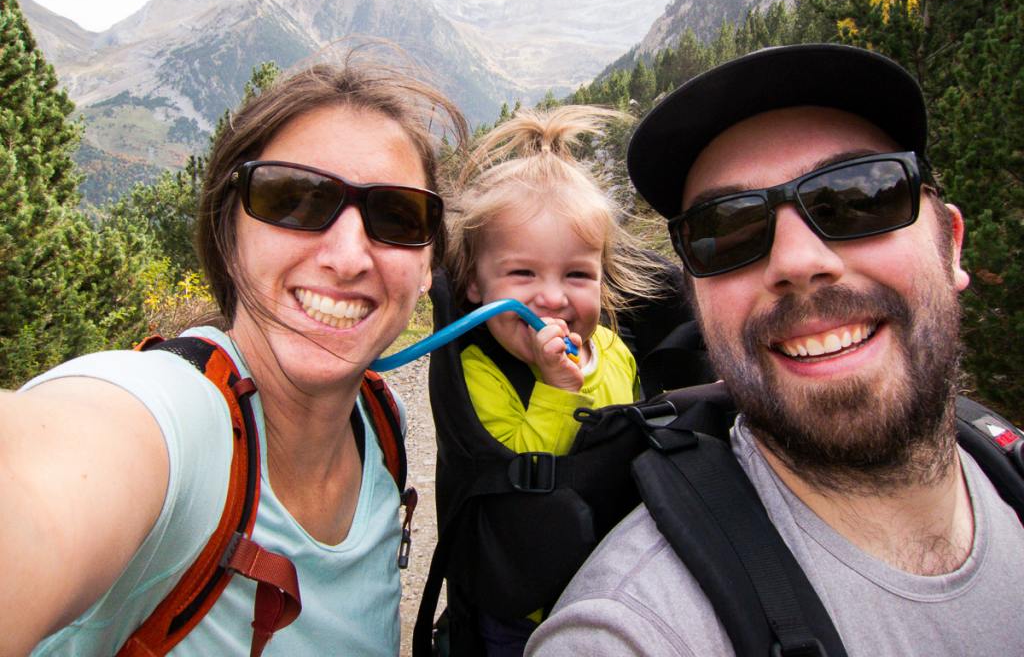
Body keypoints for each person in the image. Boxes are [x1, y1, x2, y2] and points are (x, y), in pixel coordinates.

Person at [525, 44, 1024, 656]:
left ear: (950, 244)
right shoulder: (630, 628)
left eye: (858, 196)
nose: (797, 262)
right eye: (725, 230)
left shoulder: (1010, 469)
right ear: (697, 300)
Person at [1, 51, 468, 657]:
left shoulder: (382, 427)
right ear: (228, 237)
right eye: (295, 199)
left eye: (398, 215)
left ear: (427, 266)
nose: (349, 256)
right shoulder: (175, 424)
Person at [443, 105, 663, 655]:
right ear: (474, 283)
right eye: (523, 273)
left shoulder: (613, 349)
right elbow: (517, 476)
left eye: (577, 274)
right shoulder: (480, 374)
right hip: (524, 607)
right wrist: (555, 387)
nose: (553, 297)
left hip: (617, 591)